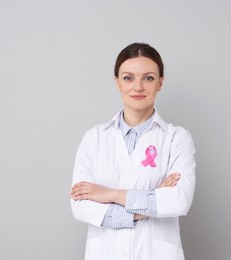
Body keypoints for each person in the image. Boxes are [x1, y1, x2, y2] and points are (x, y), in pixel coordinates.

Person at [69, 43, 196, 260]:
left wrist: (109, 194)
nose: (138, 87)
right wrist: (147, 205)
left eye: (148, 78)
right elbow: (80, 207)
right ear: (117, 82)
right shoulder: (94, 138)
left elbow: (178, 201)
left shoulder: (177, 138)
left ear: (160, 83)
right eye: (128, 78)